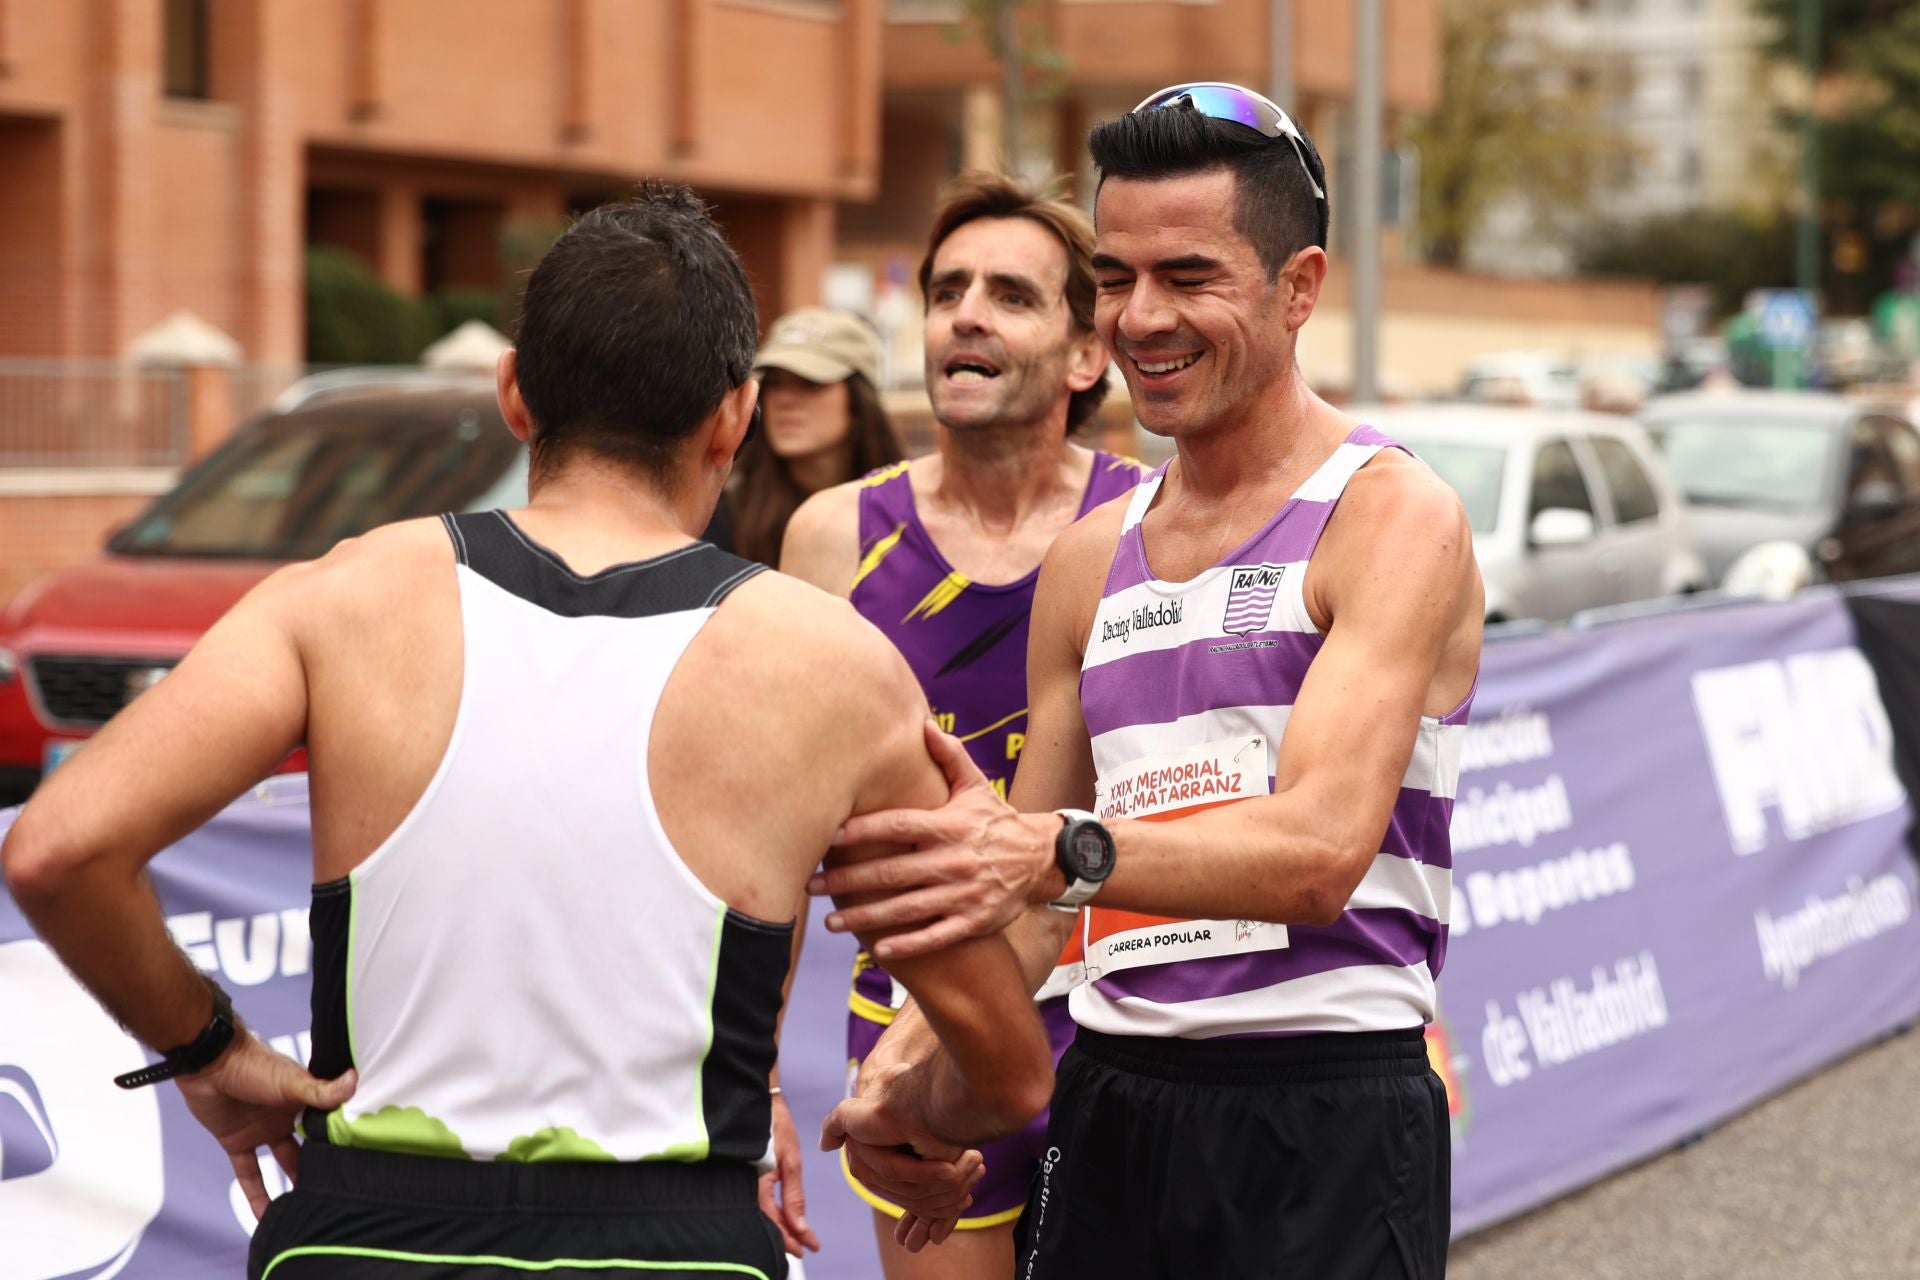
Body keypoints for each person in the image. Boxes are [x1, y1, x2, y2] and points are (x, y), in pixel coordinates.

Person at [0, 183, 1053, 1280]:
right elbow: (1008, 1069)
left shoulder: (344, 596)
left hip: (364, 1233)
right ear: (734, 416)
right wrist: (906, 1110)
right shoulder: (830, 662)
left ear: (512, 393)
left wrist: (209, 1049)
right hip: (673, 1248)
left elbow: (58, 847)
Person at [810, 84, 1485, 1278]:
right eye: (1117, 279)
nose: (1142, 318)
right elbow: (1024, 909)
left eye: (1188, 275)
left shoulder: (1389, 514)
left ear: (1299, 286)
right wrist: (908, 1080)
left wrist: (1057, 849)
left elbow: (1322, 853)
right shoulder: (1091, 557)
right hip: (1114, 1092)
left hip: (1320, 1096)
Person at [781, 171, 1142, 1280]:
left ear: (1087, 355)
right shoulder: (835, 535)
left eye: (1010, 295)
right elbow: (772, 829)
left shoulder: (1149, 525)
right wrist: (744, 1083)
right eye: (946, 292)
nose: (965, 314)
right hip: (910, 1022)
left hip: (1121, 1018)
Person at [714, 307, 904, 566]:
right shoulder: (727, 510)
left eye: (809, 382)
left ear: (859, 403)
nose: (784, 399)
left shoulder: (908, 508)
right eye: (775, 383)